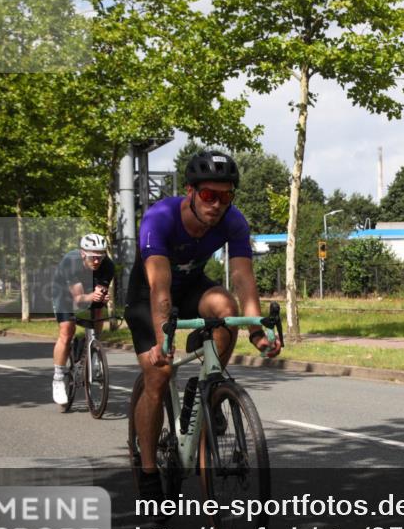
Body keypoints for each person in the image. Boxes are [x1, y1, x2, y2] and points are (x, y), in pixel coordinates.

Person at [124, 150, 280, 504]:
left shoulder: (233, 220)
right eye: (209, 195)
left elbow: (242, 277)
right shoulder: (160, 218)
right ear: (191, 192)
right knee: (158, 375)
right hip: (148, 295)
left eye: (226, 196)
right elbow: (160, 289)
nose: (217, 204)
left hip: (192, 287)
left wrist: (257, 331)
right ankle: (148, 473)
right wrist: (163, 341)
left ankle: (206, 387)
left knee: (225, 307)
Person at [52, 234, 115, 406]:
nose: (97, 261)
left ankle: (94, 349)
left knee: (98, 309)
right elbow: (79, 299)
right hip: (64, 293)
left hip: (88, 288)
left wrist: (102, 296)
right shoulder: (70, 263)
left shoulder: (107, 266)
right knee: (67, 332)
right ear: (82, 254)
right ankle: (58, 378)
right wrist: (92, 296)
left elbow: (99, 291)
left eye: (100, 256)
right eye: (92, 257)